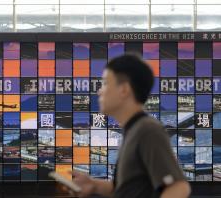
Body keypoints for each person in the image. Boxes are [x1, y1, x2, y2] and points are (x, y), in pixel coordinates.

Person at [68, 54, 191, 198]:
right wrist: (94, 185)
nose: (99, 91)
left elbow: (178, 188)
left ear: (124, 90)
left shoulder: (148, 130)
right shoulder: (133, 130)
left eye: (106, 83)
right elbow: (130, 190)